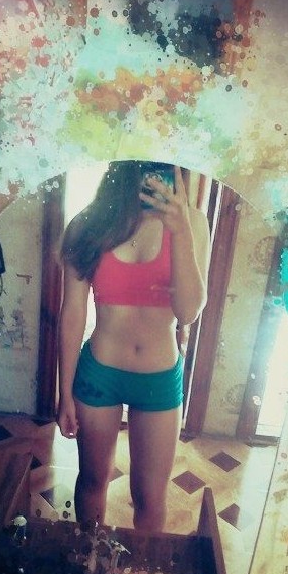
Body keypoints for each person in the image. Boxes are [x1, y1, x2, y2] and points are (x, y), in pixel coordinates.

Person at [58, 161, 210, 532]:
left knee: (150, 498)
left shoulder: (193, 223)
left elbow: (188, 312)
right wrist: (64, 393)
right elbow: (72, 313)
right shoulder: (88, 224)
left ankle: (141, 568)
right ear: (126, 167)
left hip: (159, 378)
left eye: (165, 167)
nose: (155, 176)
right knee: (92, 480)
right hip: (100, 372)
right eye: (147, 166)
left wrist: (180, 232)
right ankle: (91, 560)